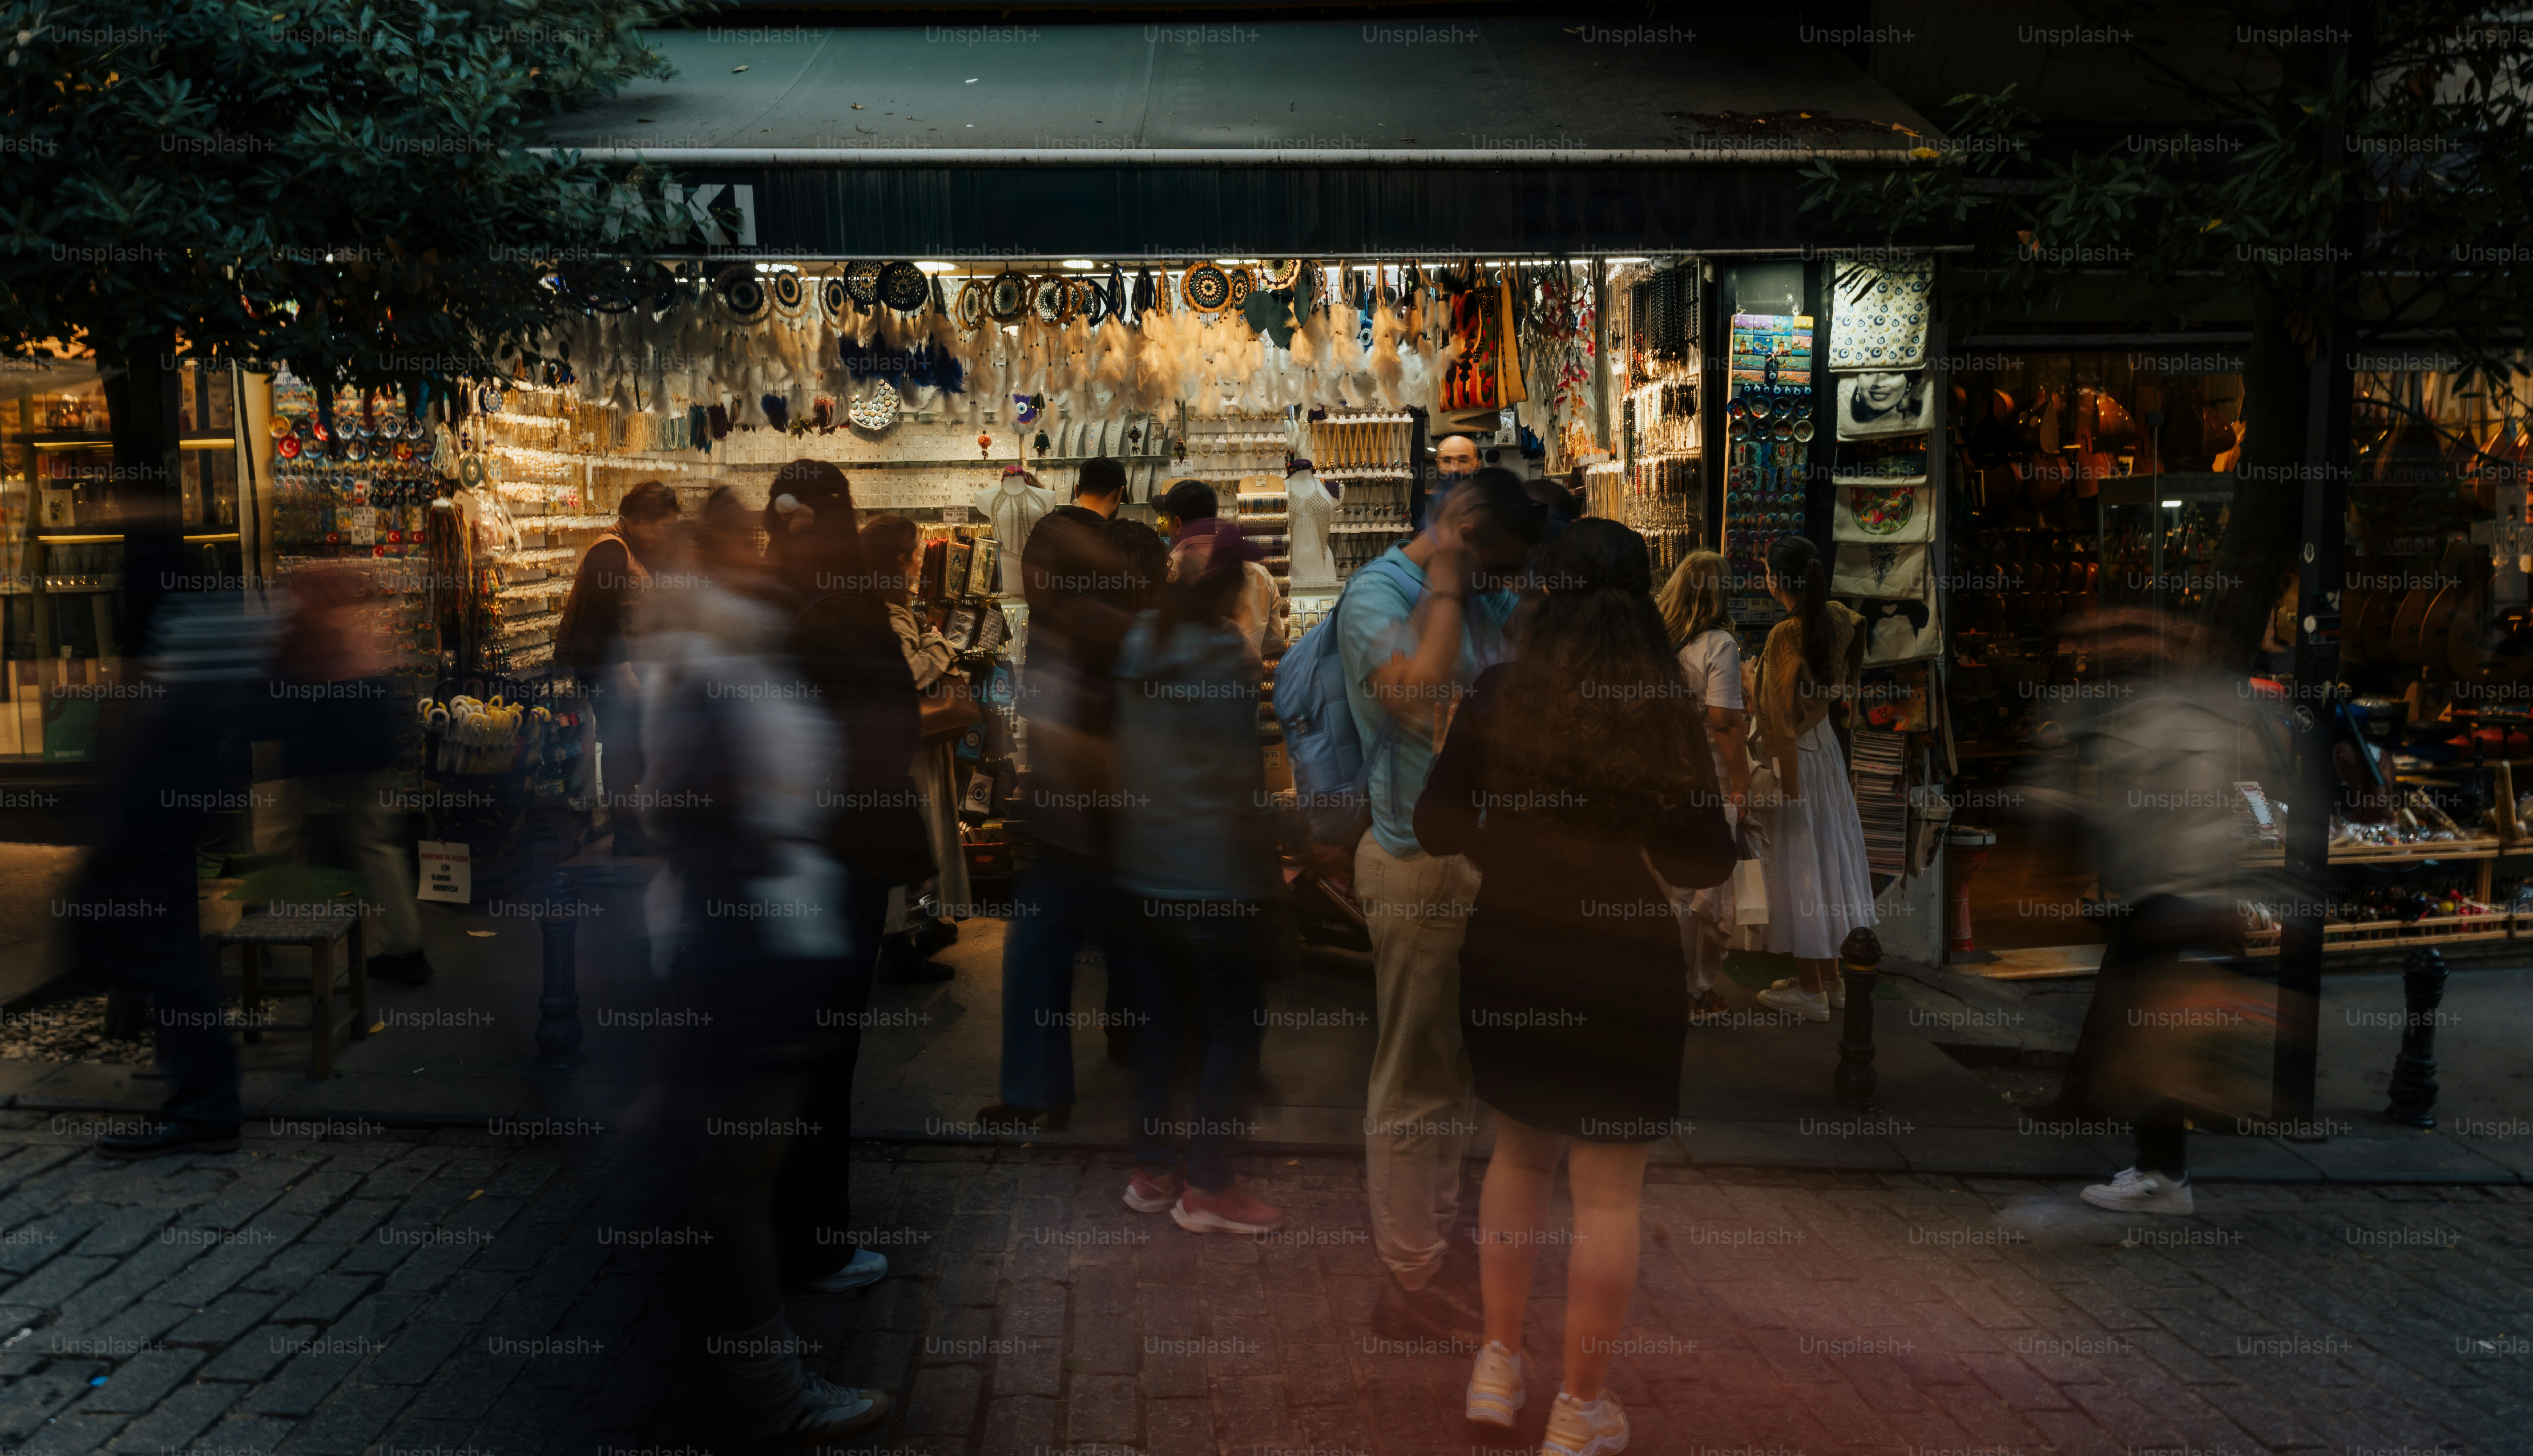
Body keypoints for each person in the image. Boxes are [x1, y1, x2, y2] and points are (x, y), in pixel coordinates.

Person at [1414, 519, 1732, 1454]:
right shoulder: (1656, 702)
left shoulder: (1498, 693)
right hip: (1622, 966)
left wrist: (1507, 842)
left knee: (1516, 1161)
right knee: (1607, 1197)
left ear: (1541, 599)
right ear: (1637, 607)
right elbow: (1704, 858)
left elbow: (1436, 823)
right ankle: (1579, 1408)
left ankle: (1497, 1364)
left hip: (1511, 952)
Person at [642, 486, 891, 1441]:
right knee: (737, 1185)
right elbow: (695, 813)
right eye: (748, 543)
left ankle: (746, 1371)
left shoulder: (728, 654)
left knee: (733, 1179)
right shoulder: (719, 666)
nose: (766, 555)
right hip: (753, 949)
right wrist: (759, 916)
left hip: (756, 940)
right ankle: (768, 1389)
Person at [1338, 466, 1546, 1345]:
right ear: (1457, 529)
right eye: (1492, 558)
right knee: (1412, 1084)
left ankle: (1439, 1247)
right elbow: (1418, 693)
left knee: (1459, 1081)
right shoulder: (1376, 597)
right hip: (1415, 862)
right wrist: (1454, 582)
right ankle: (1408, 1279)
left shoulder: (1491, 596)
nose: (1499, 577)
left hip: (1480, 864)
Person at [757, 461, 933, 1289]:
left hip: (768, 855)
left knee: (775, 1053)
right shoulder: (851, 605)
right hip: (842, 853)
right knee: (827, 1056)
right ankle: (816, 1242)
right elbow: (895, 722)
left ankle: (756, 1225)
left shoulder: (761, 600)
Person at [1111, 519, 1286, 1234]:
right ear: (1235, 587)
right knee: (1232, 1028)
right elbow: (1237, 775)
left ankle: (1153, 1172)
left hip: (1142, 870)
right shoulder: (1226, 656)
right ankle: (1209, 1188)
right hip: (1212, 877)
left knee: (1157, 1027)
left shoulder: (1139, 643)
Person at [983, 457, 1141, 1130]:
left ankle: (1042, 1088)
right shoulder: (1097, 625)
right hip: (1100, 821)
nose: (1030, 576)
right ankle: (1124, 1064)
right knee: (1114, 950)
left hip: (1081, 822)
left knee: (1041, 956)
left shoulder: (1075, 633)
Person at [1749, 535, 1875, 1022]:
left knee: (1801, 868)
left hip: (1797, 759)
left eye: (1766, 570)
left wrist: (1749, 683)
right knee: (1826, 862)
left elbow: (1777, 715)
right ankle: (1830, 979)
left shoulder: (1784, 634)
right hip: (1826, 751)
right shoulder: (1840, 617)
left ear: (1778, 580)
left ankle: (1808, 990)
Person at [856, 512, 971, 984]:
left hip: (907, 748)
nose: (921, 562)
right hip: (912, 751)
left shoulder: (877, 604)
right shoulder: (886, 611)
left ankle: (917, 928)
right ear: (898, 560)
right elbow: (907, 675)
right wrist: (942, 647)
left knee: (920, 845)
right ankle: (901, 944)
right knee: (918, 844)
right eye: (915, 553)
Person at [556, 479, 681, 855]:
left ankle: (635, 829)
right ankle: (628, 837)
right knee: (621, 750)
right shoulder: (611, 551)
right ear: (643, 519)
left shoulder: (629, 548)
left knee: (633, 748)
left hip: (622, 674)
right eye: (664, 526)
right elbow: (598, 621)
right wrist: (624, 672)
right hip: (609, 676)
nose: (665, 535)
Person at [1654, 549, 1753, 1020]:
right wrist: (1742, 783)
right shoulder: (1719, 645)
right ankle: (1694, 990)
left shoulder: (1658, 639)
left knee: (1669, 887)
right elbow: (1725, 724)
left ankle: (1667, 982)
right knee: (1703, 890)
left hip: (1661, 771)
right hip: (1706, 775)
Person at [1157, 477, 1283, 657]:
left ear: (1177, 523)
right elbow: (1275, 639)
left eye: (1167, 520)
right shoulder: (1259, 573)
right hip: (1243, 678)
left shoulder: (1167, 571)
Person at [1421, 432, 1482, 529]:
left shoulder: (1488, 508)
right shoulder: (1433, 506)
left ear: (1477, 465)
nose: (1454, 469)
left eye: (1463, 461)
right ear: (1439, 464)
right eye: (1447, 461)